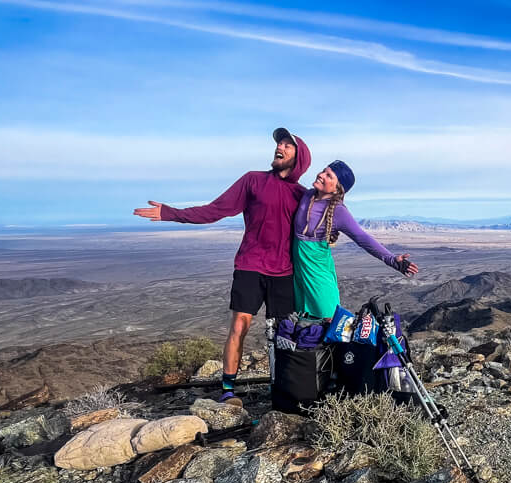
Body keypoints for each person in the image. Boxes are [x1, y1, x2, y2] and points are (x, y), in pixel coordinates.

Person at [134, 128, 311, 403]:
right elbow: (216, 209)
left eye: (289, 145)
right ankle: (228, 389)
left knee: (283, 332)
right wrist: (171, 213)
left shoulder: (301, 195)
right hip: (250, 265)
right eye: (280, 143)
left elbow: (322, 223)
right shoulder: (253, 180)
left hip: (285, 272)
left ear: (299, 159)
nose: (281, 147)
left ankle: (284, 387)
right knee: (240, 324)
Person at [292, 159, 418, 319]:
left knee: (327, 319)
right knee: (302, 324)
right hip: (298, 273)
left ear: (337, 188)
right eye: (323, 171)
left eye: (329, 175)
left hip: (317, 272)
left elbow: (362, 237)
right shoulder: (307, 195)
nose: (321, 175)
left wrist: (392, 260)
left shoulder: (338, 211)